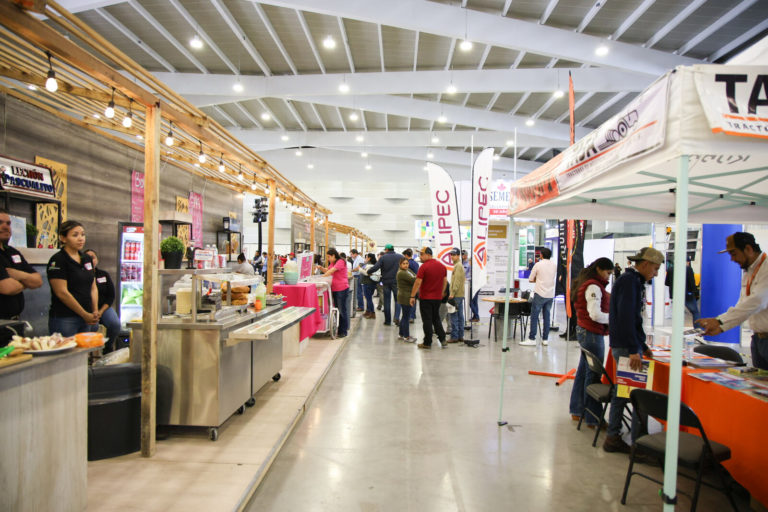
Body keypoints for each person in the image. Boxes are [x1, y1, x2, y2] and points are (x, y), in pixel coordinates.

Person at [603, 247, 661, 454]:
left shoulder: (633, 282)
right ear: (644, 264)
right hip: (626, 346)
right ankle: (638, 443)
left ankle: (614, 434)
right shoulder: (629, 283)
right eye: (655, 269)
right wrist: (635, 348)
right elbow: (626, 317)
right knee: (635, 394)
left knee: (625, 391)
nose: (655, 274)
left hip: (627, 344)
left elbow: (633, 319)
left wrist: (642, 345)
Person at [698, 232, 768, 370]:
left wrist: (720, 320)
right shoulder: (749, 272)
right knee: (761, 385)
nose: (732, 259)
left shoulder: (766, 269)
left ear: (748, 249)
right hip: (758, 340)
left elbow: (757, 301)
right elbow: (743, 306)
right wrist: (721, 326)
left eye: (734, 253)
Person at [568, 257, 613, 428]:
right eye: (608, 273)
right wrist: (614, 318)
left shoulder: (586, 283)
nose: (609, 277)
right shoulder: (593, 286)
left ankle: (577, 410)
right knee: (592, 375)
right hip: (592, 333)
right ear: (600, 269)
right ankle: (593, 417)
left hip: (585, 330)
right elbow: (595, 314)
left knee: (583, 372)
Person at [47, 220, 99, 336]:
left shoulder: (87, 258)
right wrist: (84, 314)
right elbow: (62, 293)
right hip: (65, 318)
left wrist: (95, 310)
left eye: (82, 234)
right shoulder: (58, 260)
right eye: (75, 235)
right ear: (63, 238)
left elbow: (93, 287)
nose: (80, 238)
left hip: (87, 316)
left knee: (83, 353)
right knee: (67, 352)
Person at [0, 209, 42, 319]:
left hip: (14, 320)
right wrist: (27, 282)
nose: (6, 227)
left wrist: (20, 275)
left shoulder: (12, 252)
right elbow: (7, 288)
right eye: (0, 223)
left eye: (8, 223)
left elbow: (38, 281)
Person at [409, 247, 447, 349]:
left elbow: (417, 282)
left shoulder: (424, 267)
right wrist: (442, 292)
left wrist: (412, 296)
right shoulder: (442, 266)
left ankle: (427, 342)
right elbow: (445, 281)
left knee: (427, 320)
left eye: (422, 254)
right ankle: (443, 339)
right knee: (436, 319)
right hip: (437, 298)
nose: (420, 256)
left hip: (426, 298)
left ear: (429, 255)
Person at [84, 249, 121, 351]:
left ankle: (108, 347)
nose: (91, 260)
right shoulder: (82, 275)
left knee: (115, 324)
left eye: (93, 257)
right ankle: (88, 353)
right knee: (93, 326)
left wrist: (100, 311)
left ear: (97, 260)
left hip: (103, 308)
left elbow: (111, 296)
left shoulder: (103, 275)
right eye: (88, 258)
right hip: (87, 309)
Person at [521, 247, 557, 346]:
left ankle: (532, 338)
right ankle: (545, 339)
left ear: (541, 255)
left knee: (534, 316)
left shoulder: (538, 264)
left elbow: (530, 279)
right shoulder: (554, 265)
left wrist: (539, 280)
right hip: (550, 295)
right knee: (547, 316)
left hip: (539, 293)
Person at [365, 244, 400, 326]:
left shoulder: (383, 257)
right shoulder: (400, 257)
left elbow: (376, 267)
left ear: (387, 250)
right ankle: (397, 317)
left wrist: (368, 271)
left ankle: (388, 321)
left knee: (387, 301)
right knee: (397, 300)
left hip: (386, 282)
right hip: (397, 282)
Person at [319, 248, 349, 338]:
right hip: (334, 289)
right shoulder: (332, 263)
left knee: (341, 310)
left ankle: (343, 331)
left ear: (333, 255)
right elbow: (328, 270)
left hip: (342, 289)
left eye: (329, 257)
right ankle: (338, 329)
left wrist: (321, 278)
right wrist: (321, 268)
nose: (328, 259)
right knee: (336, 309)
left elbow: (332, 271)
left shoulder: (341, 261)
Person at [664, 258, 699, 324]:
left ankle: (677, 330)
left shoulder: (670, 269)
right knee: (695, 312)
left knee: (677, 314)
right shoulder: (688, 269)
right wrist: (696, 293)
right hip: (687, 294)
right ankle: (697, 329)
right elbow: (692, 283)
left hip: (675, 295)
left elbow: (667, 283)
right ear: (687, 262)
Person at [396, 257, 417, 342]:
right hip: (405, 296)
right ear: (400, 264)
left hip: (405, 295)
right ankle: (406, 336)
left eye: (407, 263)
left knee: (404, 316)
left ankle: (401, 334)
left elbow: (415, 276)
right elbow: (414, 279)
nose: (406, 265)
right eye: (403, 263)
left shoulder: (407, 271)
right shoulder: (402, 273)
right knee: (406, 317)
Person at [447, 248, 466, 343]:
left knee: (454, 315)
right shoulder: (458, 265)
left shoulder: (458, 266)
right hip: (460, 294)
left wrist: (452, 293)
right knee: (459, 315)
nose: (452, 256)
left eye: (454, 255)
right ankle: (460, 335)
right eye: (451, 255)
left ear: (458, 255)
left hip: (456, 295)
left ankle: (454, 336)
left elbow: (457, 281)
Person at [462, 249, 480, 323]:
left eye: (463, 254)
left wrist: (467, 278)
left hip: (473, 285)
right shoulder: (461, 263)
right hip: (468, 284)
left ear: (466, 255)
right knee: (473, 301)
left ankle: (476, 316)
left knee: (471, 301)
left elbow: (471, 275)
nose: (462, 256)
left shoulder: (470, 264)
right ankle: (476, 316)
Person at [403, 248, 419, 322]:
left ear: (406, 255)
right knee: (413, 299)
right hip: (415, 283)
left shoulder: (406, 264)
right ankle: (412, 315)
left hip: (408, 284)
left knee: (407, 300)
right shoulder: (416, 263)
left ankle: (409, 316)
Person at [360, 253, 378, 319]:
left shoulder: (368, 265)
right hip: (372, 283)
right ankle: (368, 311)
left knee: (369, 298)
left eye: (366, 257)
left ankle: (372, 313)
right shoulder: (375, 264)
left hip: (367, 283)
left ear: (369, 258)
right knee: (369, 298)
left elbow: (366, 273)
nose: (365, 259)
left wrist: (360, 269)